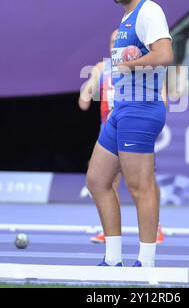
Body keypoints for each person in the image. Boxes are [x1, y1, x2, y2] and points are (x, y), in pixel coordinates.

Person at [86, 0, 173, 267]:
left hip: (142, 108)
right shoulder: (126, 20)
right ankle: (112, 260)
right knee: (97, 179)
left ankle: (146, 262)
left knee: (140, 186)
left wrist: (128, 64)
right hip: (122, 108)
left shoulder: (149, 11)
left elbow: (165, 54)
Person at [79, 30, 164, 245]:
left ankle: (156, 227)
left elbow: (162, 95)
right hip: (109, 128)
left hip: (134, 126)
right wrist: (89, 88)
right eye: (111, 41)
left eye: (119, 40)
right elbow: (85, 97)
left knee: (146, 180)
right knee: (107, 180)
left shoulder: (142, 64)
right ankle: (109, 231)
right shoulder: (102, 67)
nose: (115, 44)